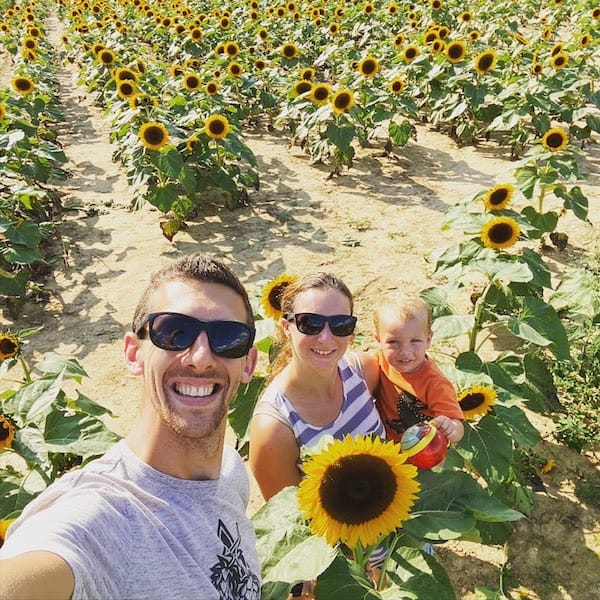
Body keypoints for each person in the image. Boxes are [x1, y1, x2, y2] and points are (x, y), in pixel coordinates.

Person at [0, 252, 262, 600]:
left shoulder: (231, 474)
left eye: (228, 338)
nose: (200, 357)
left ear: (248, 364)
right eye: (174, 332)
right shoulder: (102, 520)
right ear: (133, 354)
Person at [248, 272, 385, 503]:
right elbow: (293, 521)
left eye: (340, 325)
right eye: (310, 323)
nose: (325, 338)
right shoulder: (274, 430)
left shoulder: (362, 371)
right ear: (286, 327)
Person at [362, 292, 464, 445]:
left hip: (425, 450)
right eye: (393, 342)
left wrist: (450, 428)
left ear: (428, 340)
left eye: (415, 341)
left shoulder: (435, 383)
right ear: (379, 340)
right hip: (388, 445)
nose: (405, 351)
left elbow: (458, 428)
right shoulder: (380, 361)